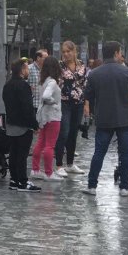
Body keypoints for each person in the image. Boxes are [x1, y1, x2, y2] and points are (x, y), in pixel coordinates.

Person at [84, 41, 128, 196]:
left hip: (104, 118)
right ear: (116, 53)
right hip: (125, 118)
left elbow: (88, 94)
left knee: (99, 152)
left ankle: (92, 186)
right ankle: (124, 187)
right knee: (126, 153)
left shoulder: (94, 73)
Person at [3, 59, 41, 192]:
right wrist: (34, 124)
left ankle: (14, 180)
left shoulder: (7, 85)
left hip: (11, 123)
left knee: (13, 152)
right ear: (22, 70)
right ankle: (23, 182)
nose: (28, 71)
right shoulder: (23, 86)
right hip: (23, 125)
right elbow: (27, 107)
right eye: (26, 69)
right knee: (22, 154)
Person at [53, 41, 88, 177]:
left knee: (73, 133)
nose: (66, 54)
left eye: (68, 51)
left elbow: (85, 85)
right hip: (64, 102)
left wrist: (86, 104)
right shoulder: (59, 66)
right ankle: (59, 165)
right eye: (64, 52)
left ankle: (70, 163)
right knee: (64, 132)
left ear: (74, 51)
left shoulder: (82, 65)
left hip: (78, 103)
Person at [32, 56, 62, 181]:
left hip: (43, 116)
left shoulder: (43, 81)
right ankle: (49, 173)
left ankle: (35, 169)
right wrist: (54, 102)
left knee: (40, 142)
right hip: (53, 116)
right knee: (50, 145)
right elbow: (46, 96)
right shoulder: (52, 82)